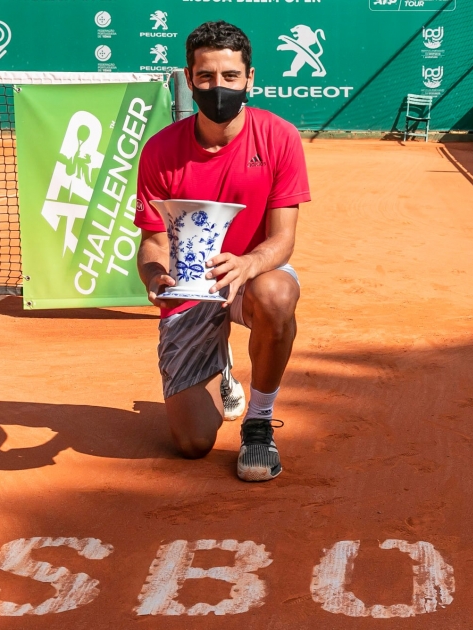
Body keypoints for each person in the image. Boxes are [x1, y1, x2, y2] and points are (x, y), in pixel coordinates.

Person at [135, 20, 310, 481]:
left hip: (250, 278)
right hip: (189, 289)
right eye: (207, 77)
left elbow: (283, 240)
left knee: (276, 295)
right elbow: (152, 240)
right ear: (189, 79)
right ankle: (222, 369)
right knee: (192, 445)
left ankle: (257, 422)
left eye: (230, 76)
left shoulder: (280, 137)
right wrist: (154, 277)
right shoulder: (158, 150)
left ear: (249, 78)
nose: (219, 87)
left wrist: (248, 263)